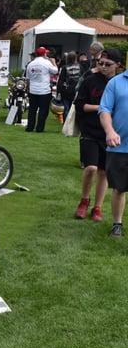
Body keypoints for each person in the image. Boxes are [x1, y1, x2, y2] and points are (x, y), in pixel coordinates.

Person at [73, 50, 121, 222]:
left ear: (118, 65)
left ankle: (98, 207)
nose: (102, 66)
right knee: (91, 168)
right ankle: (84, 200)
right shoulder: (90, 81)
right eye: (100, 63)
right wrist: (102, 108)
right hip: (90, 131)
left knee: (103, 172)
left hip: (112, 134)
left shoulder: (119, 83)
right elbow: (79, 105)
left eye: (107, 64)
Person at [99, 51, 128, 238]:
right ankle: (117, 224)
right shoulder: (115, 83)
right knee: (120, 187)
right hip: (120, 146)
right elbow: (104, 110)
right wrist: (110, 131)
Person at [25, 46, 58, 133]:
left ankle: (30, 127)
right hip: (44, 90)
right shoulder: (46, 63)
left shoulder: (30, 64)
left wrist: (29, 88)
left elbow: (28, 78)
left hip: (33, 90)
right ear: (44, 54)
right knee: (43, 110)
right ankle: (39, 128)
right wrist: (53, 62)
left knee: (32, 110)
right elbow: (55, 71)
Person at [56, 51, 81, 121]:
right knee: (74, 108)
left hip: (66, 90)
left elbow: (61, 80)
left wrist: (58, 92)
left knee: (66, 108)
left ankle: (66, 123)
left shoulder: (65, 67)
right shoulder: (79, 67)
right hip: (76, 90)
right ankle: (73, 122)